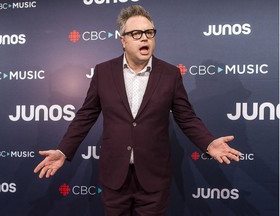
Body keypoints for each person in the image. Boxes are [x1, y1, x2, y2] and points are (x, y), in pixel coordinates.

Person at [34, 5, 242, 216]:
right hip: (114, 176)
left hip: (154, 178)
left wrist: (208, 142)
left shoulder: (170, 74)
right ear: (123, 40)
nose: (145, 38)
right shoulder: (103, 72)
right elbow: (85, 116)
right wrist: (63, 150)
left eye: (149, 33)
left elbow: (186, 117)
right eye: (136, 34)